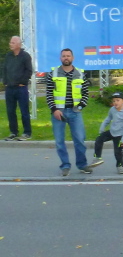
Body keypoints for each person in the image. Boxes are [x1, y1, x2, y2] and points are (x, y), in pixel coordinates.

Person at [46, 48, 94, 176]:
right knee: (59, 141)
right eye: (63, 56)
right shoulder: (53, 74)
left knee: (80, 140)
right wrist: (54, 110)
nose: (66, 58)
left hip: (75, 112)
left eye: (68, 56)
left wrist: (80, 107)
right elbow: (49, 94)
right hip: (58, 112)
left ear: (72, 58)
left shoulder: (80, 74)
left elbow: (85, 93)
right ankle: (65, 165)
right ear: (60, 58)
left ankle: (82, 165)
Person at [92, 91, 123, 175]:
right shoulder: (112, 109)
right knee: (99, 139)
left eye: (118, 100)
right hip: (112, 131)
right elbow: (108, 118)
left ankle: (120, 166)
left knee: (118, 152)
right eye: (114, 101)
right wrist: (102, 128)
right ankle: (98, 157)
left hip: (120, 135)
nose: (115, 103)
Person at [2, 35, 33, 141]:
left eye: (13, 43)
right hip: (10, 88)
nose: (10, 44)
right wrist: (5, 82)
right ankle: (13, 132)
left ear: (19, 45)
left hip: (21, 88)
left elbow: (29, 71)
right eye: (10, 42)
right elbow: (4, 69)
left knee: (24, 111)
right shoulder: (8, 56)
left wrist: (23, 82)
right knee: (10, 111)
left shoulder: (25, 56)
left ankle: (27, 132)